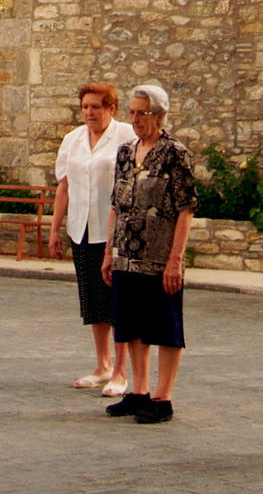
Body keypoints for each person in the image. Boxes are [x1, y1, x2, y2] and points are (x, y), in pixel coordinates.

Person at [100, 84, 196, 424]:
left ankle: (162, 396)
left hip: (158, 257)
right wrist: (110, 252)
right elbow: (116, 203)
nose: (136, 119)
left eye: (143, 113)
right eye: (132, 112)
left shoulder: (175, 154)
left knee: (164, 326)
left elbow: (186, 209)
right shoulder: (126, 152)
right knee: (132, 324)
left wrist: (176, 260)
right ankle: (138, 391)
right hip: (126, 252)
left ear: (160, 115)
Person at [48, 82, 137, 396]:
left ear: (110, 109)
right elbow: (64, 186)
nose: (89, 113)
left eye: (96, 107)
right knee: (93, 301)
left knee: (117, 302)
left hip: (114, 232)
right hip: (81, 229)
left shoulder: (126, 135)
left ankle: (121, 372)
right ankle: (102, 365)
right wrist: (54, 229)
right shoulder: (72, 140)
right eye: (85, 107)